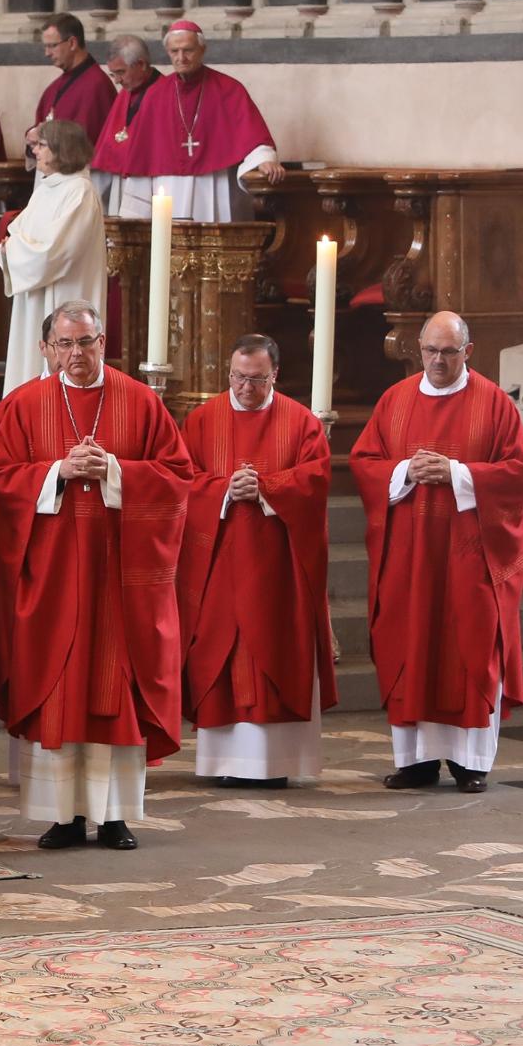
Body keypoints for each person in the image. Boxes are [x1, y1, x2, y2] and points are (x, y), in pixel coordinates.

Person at [0, 301, 195, 852]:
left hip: (118, 579)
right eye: (66, 344)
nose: (77, 355)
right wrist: (56, 471)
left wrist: (117, 471)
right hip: (51, 577)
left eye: (88, 342)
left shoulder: (141, 402)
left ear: (104, 344)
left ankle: (115, 815)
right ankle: (63, 817)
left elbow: (177, 478)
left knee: (113, 683)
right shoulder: (21, 407)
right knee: (58, 685)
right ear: (46, 349)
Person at [350, 310, 523, 795]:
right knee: (410, 643)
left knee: (468, 647)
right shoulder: (395, 401)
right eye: (429, 351)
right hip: (410, 557)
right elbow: (366, 463)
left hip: (469, 558)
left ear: (467, 352)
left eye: (447, 352)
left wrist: (455, 473)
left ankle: (470, 762)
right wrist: (405, 472)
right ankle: (415, 761)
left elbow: (519, 471)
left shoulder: (495, 405)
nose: (436, 361)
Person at [180, 336, 335, 789]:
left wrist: (267, 487)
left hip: (279, 567)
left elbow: (316, 478)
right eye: (238, 378)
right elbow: (180, 478)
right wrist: (225, 489)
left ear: (275, 376)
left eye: (257, 379)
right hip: (221, 561)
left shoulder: (300, 422)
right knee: (222, 651)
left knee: (276, 647)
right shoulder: (202, 420)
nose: (246, 388)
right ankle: (226, 762)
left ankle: (275, 763)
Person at [104, 20, 280, 220]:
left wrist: (264, 159)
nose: (181, 58)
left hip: (215, 183)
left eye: (188, 50)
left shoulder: (229, 89)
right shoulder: (155, 95)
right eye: (174, 51)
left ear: (202, 49)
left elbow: (252, 133)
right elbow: (142, 152)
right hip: (168, 187)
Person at [0, 120, 108, 394]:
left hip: (63, 293)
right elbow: (18, 233)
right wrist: (9, 248)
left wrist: (13, 249)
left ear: (63, 149)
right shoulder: (47, 188)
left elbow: (54, 252)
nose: (35, 152)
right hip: (34, 295)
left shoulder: (80, 192)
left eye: (42, 145)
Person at [90, 34, 158, 212]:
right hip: (119, 179)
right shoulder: (125, 94)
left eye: (121, 72)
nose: (117, 80)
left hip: (147, 181)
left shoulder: (163, 92)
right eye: (113, 74)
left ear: (142, 65)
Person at [37, 13, 116, 150]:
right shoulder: (53, 88)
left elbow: (86, 139)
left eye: (52, 46)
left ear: (72, 43)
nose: (47, 53)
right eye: (45, 47)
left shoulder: (96, 85)